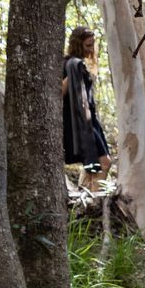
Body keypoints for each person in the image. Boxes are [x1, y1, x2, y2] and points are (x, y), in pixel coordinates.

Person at [62, 27, 110, 179]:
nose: (91, 49)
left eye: (92, 44)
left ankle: (88, 191)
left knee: (94, 166)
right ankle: (95, 194)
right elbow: (60, 92)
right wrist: (71, 76)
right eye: (88, 45)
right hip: (82, 122)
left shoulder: (78, 64)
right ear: (78, 44)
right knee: (104, 163)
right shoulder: (71, 64)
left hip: (91, 120)